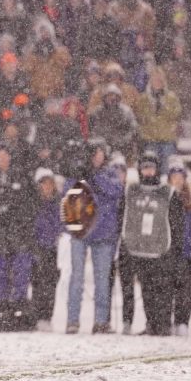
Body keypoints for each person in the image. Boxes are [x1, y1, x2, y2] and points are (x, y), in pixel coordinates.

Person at [119, 151, 183, 336]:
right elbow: (123, 217)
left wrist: (173, 248)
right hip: (139, 249)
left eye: (151, 168)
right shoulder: (131, 191)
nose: (148, 172)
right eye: (145, 168)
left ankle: (163, 324)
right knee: (146, 289)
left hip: (160, 249)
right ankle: (151, 323)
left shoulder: (166, 193)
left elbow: (176, 222)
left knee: (162, 289)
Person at [66, 138, 123, 334]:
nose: (98, 156)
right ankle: (72, 320)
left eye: (101, 152)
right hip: (81, 231)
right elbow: (67, 198)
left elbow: (116, 191)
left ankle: (101, 321)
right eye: (95, 152)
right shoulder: (77, 173)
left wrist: (95, 177)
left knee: (102, 280)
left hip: (104, 233)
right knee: (77, 277)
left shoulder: (110, 174)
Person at [0, 147, 34, 331]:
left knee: (20, 276)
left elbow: (31, 203)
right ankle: (0, 317)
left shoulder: (22, 178)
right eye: (0, 156)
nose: (3, 160)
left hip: (18, 237)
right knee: (0, 278)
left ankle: (19, 316)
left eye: (6, 156)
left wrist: (18, 217)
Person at [165, 159, 191, 336]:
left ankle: (182, 321)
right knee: (167, 286)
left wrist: (190, 235)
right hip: (168, 249)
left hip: (187, 250)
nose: (177, 180)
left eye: (180, 176)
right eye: (174, 176)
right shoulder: (164, 198)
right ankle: (166, 320)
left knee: (184, 288)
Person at [29, 167, 64, 331]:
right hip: (37, 247)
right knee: (37, 283)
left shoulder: (58, 203)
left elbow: (60, 224)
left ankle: (47, 315)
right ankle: (36, 315)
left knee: (50, 284)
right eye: (44, 183)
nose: (47, 186)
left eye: (50, 183)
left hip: (52, 248)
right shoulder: (34, 203)